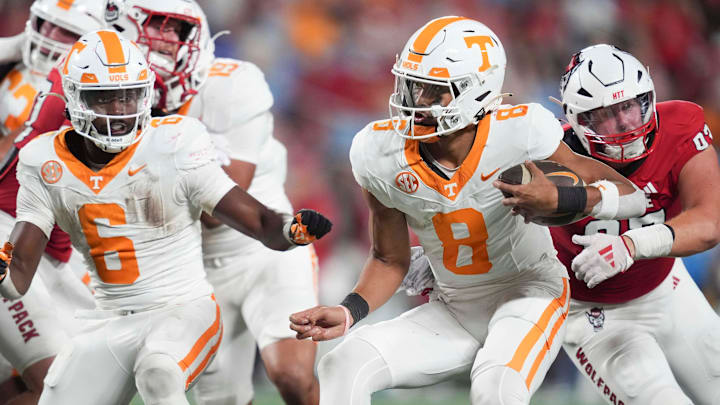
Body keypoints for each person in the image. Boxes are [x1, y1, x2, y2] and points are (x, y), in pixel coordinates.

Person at [289, 16, 646, 405]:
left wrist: (569, 201)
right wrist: (348, 312)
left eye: (431, 91)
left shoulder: (522, 131)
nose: (414, 102)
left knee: (495, 388)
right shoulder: (379, 153)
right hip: (454, 306)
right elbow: (388, 258)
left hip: (529, 292)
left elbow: (631, 195)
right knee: (342, 364)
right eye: (411, 86)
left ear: (477, 93)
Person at [0, 29, 331, 405]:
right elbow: (18, 278)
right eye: (105, 98)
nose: (120, 111)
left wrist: (291, 229)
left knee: (158, 373)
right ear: (74, 98)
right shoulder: (44, 160)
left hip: (182, 311)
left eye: (129, 96)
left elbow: (255, 221)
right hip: (108, 320)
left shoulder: (174, 143)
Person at [550, 44, 720, 405]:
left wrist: (632, 246)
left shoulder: (681, 125)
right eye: (606, 114)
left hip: (668, 287)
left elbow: (709, 222)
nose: (624, 123)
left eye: (628, 105)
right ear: (577, 120)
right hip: (593, 314)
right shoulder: (547, 156)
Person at [0, 1, 105, 403]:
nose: (48, 38)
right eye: (44, 26)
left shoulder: (96, 89)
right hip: (13, 236)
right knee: (61, 387)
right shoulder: (30, 86)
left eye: (65, 32)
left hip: (52, 250)